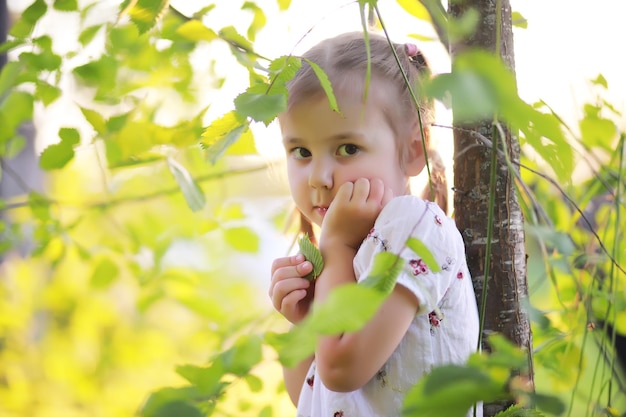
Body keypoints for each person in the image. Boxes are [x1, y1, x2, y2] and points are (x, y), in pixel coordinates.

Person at [268, 31, 480, 417]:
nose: (319, 177)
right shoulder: (349, 255)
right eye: (301, 151)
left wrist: (335, 250)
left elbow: (340, 371)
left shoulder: (413, 227)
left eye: (347, 148)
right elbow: (313, 398)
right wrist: (304, 321)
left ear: (412, 150)